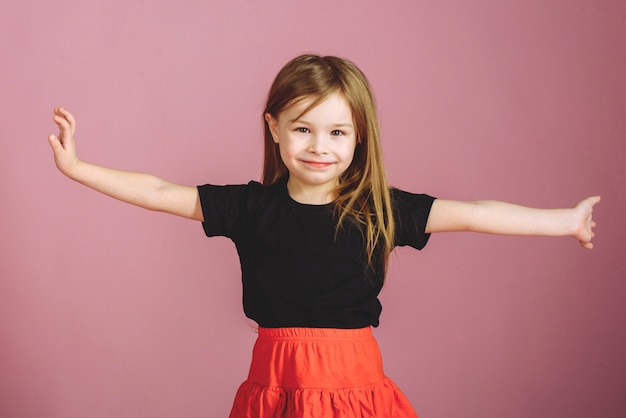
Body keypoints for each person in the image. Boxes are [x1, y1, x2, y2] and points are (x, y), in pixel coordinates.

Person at [48, 54, 599, 418]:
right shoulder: (249, 207)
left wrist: (565, 221)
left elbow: (477, 213)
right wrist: (79, 169)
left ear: (359, 137)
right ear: (274, 129)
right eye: (303, 129)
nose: (320, 146)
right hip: (275, 385)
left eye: (337, 132)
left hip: (354, 385)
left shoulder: (379, 210)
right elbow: (159, 190)